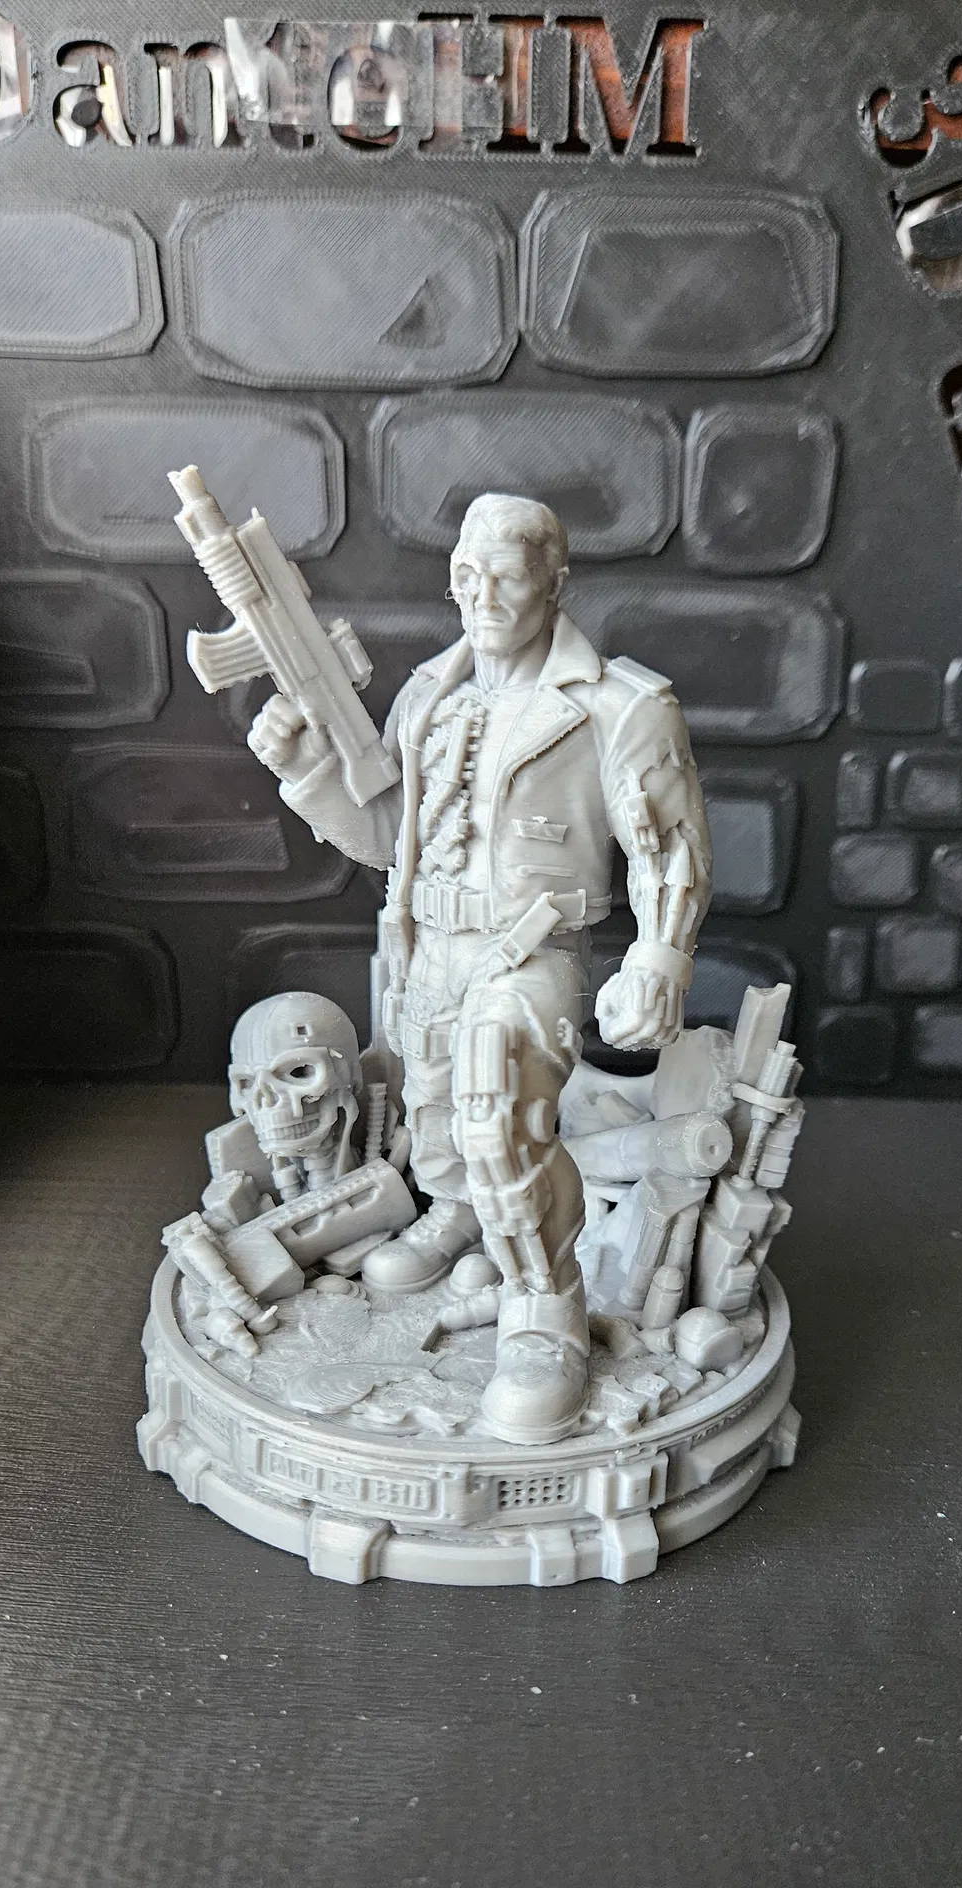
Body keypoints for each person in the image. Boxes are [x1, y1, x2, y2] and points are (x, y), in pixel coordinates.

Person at [247, 493, 712, 1443]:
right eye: (469, 574)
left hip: (533, 947)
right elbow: (391, 834)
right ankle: (462, 1211)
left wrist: (660, 955)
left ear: (556, 583)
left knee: (499, 1096)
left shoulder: (618, 705)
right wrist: (307, 771)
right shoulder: (431, 695)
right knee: (438, 1110)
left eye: (509, 574)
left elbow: (669, 848)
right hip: (430, 945)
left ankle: (543, 1303)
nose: (485, 594)